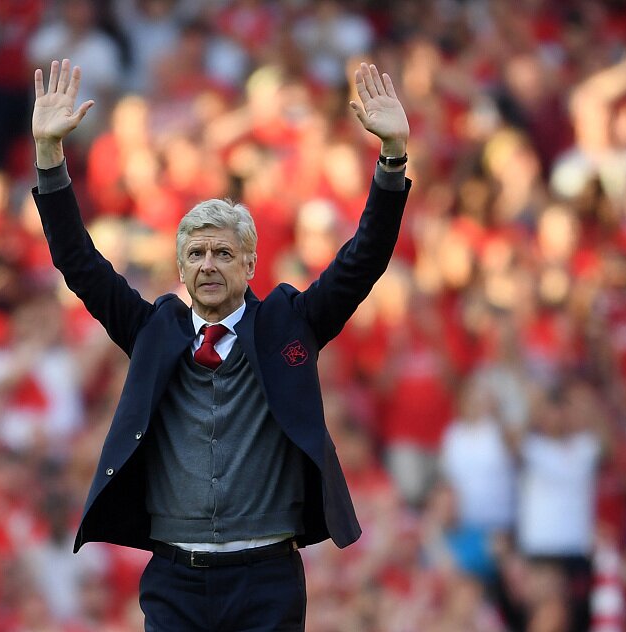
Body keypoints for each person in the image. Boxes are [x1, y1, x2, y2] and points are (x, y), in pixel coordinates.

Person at [31, 58, 410, 631]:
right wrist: (49, 156)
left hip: (266, 577)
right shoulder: (154, 330)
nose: (208, 264)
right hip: (174, 577)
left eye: (224, 253)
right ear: (181, 267)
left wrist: (392, 158)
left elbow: (364, 258)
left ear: (250, 264)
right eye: (197, 254)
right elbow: (78, 261)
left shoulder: (289, 323)